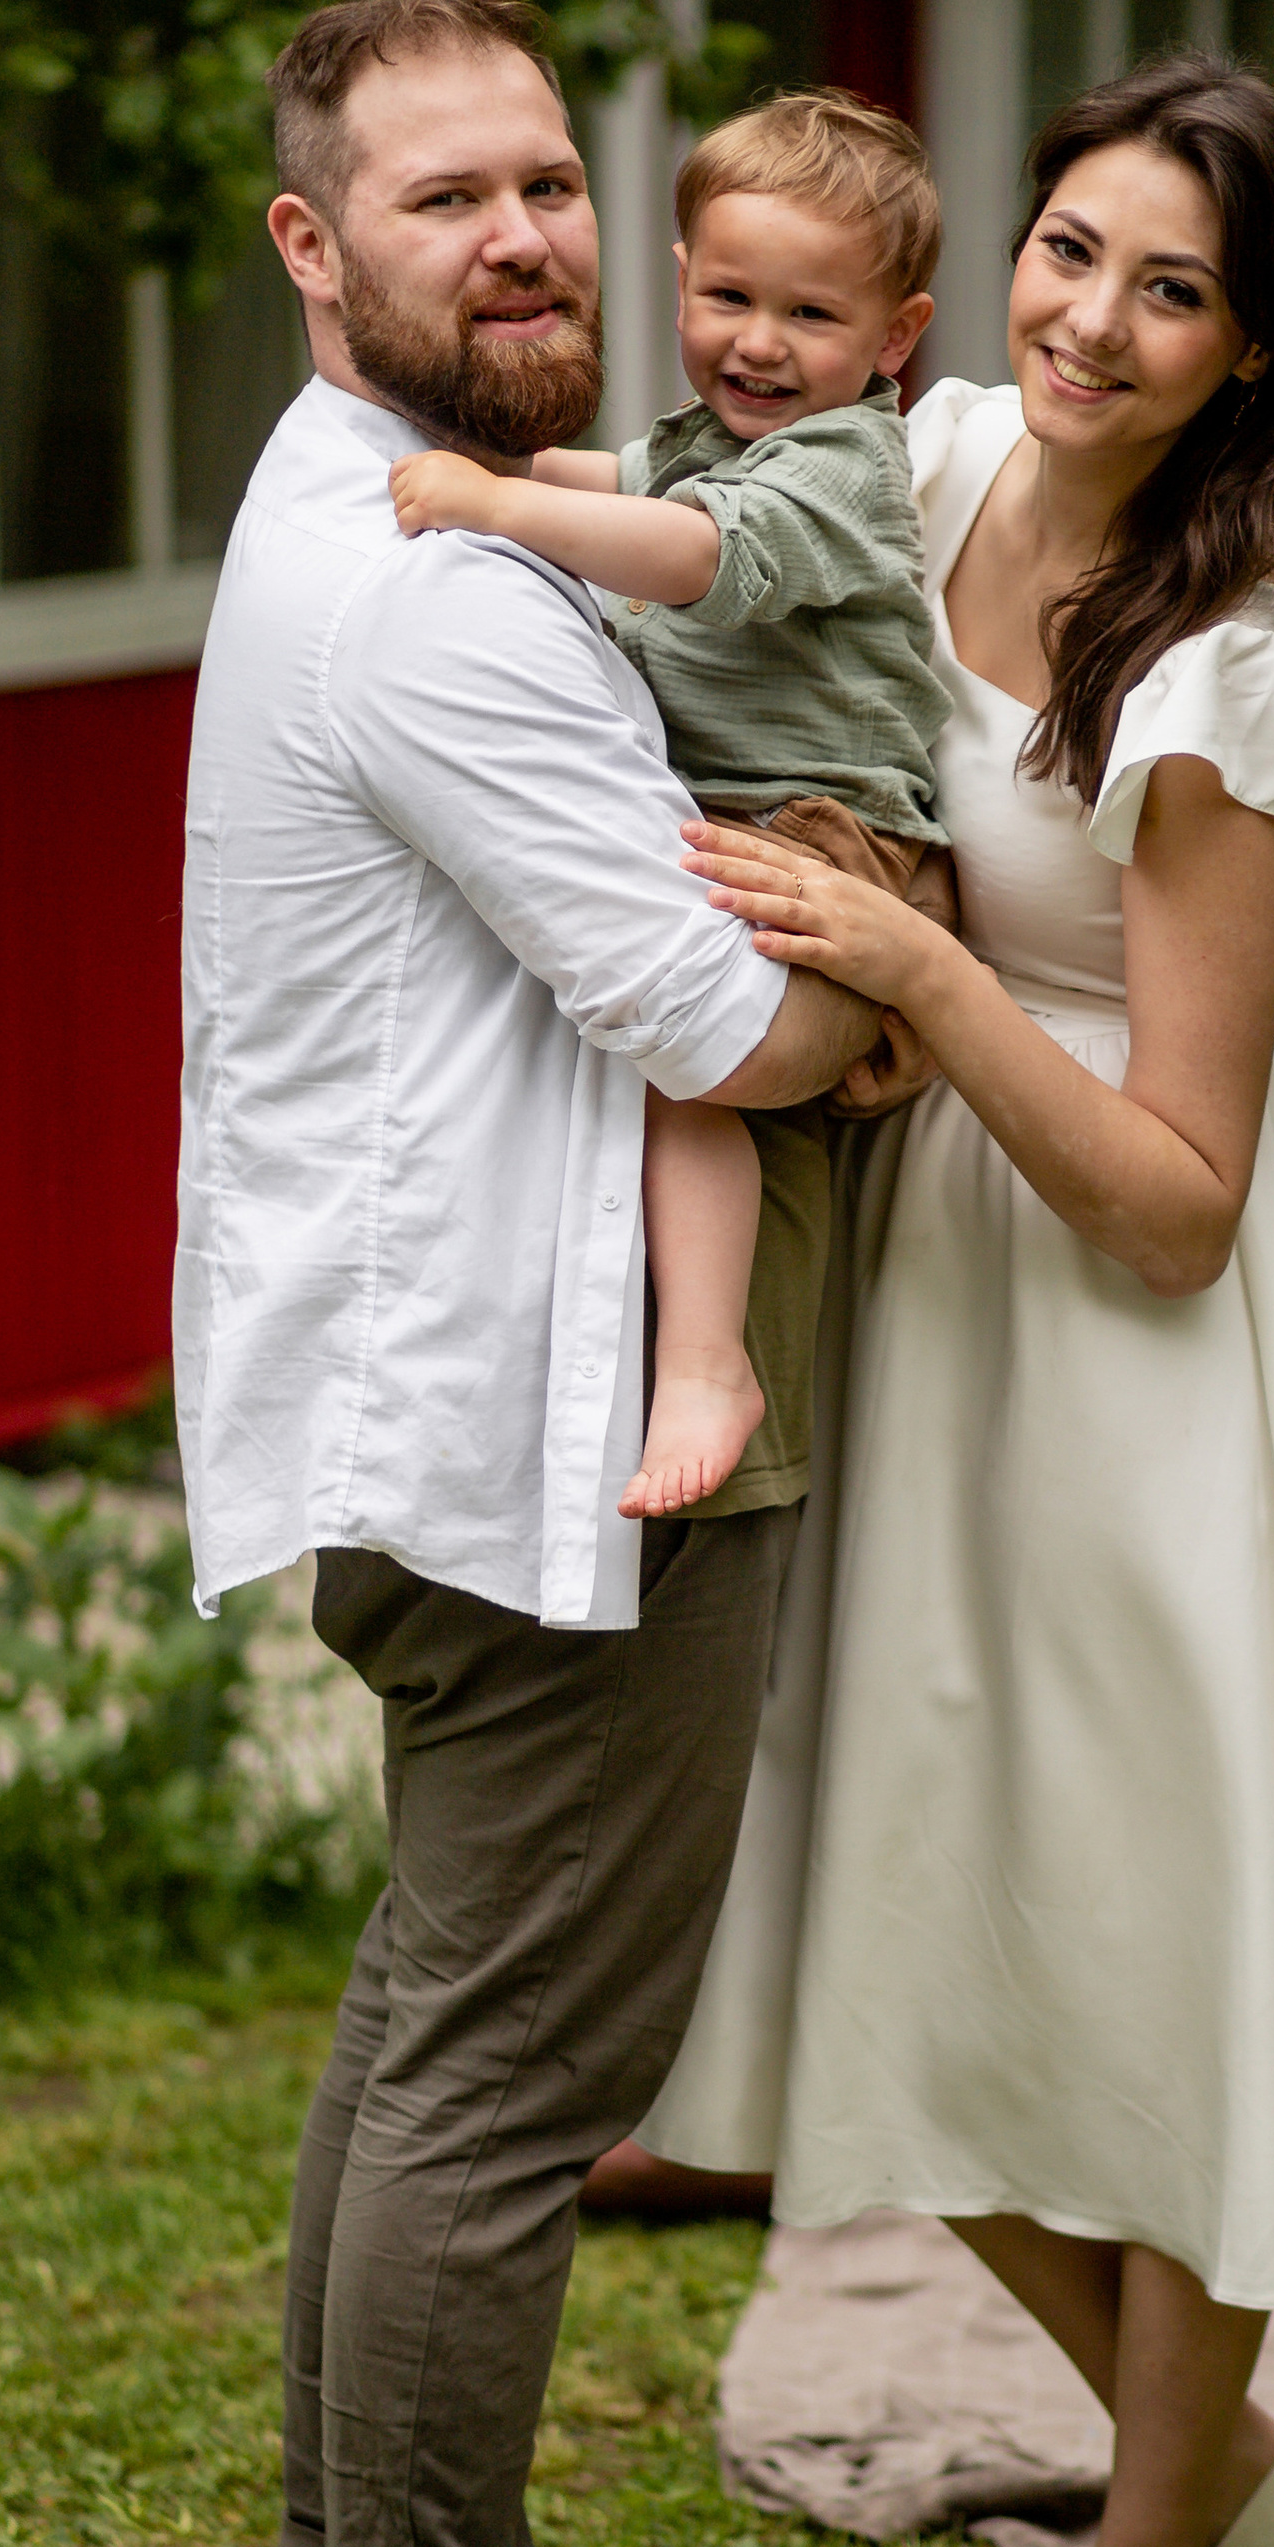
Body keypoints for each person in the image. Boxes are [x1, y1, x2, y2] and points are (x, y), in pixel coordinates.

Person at [654, 49, 1274, 2547]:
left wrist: (911, 981)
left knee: (1167, 1950)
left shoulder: (1226, 693)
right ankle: (1228, 2462)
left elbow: (1174, 1185)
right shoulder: (916, 468)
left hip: (1143, 1342)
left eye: (1172, 288)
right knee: (893, 1919)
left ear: (1257, 361)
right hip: (927, 1292)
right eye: (1065, 245)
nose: (1091, 319)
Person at [173, 0, 884, 2547]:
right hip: (537, 1413)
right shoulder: (441, 594)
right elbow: (719, 1023)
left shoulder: (401, 509)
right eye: (445, 197)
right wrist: (900, 979)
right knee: (506, 2056)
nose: (523, 237)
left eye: (546, 183)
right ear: (312, 247)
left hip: (431, 1378)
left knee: (426, 2010)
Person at [384, 92, 947, 1523]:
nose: (762, 343)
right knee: (648, 1043)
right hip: (733, 807)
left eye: (813, 316)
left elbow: (695, 552)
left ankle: (707, 1364)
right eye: (733, 295)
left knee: (677, 1043)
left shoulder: (841, 469)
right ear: (684, 280)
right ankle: (691, 1352)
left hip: (823, 825)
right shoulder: (716, 434)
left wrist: (495, 510)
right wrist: (502, 467)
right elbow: (617, 477)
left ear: (893, 339)